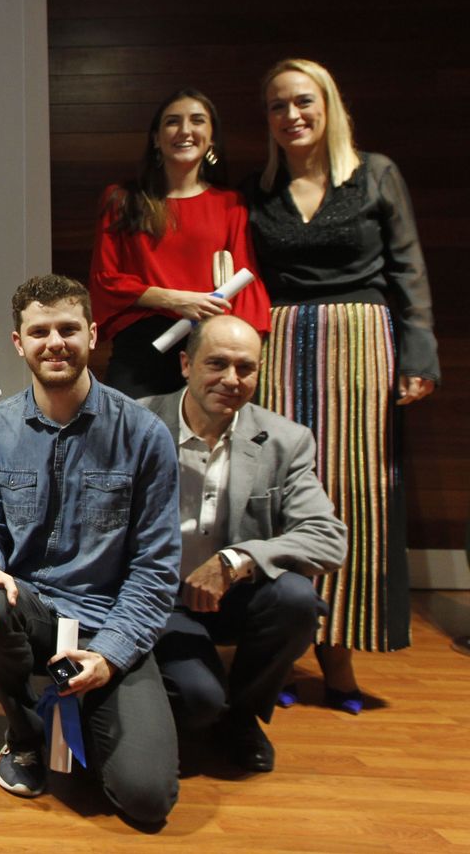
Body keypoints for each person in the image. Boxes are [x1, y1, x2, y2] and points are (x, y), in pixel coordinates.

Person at [245, 58, 439, 710]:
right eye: (278, 105)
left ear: (328, 105)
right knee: (278, 494)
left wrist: (419, 357)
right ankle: (282, 648)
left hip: (359, 346)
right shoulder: (259, 190)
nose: (291, 115)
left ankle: (341, 654)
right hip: (280, 346)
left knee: (357, 494)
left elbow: (409, 271)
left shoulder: (375, 173)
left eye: (303, 101)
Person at [0, 275, 180, 825]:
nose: (54, 342)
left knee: (146, 800)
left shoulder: (144, 434)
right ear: (18, 343)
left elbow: (155, 570)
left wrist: (109, 656)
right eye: (39, 332)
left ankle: (87, 700)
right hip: (31, 609)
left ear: (92, 334)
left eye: (68, 329)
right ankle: (24, 730)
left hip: (108, 623)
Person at [139, 315, 346, 772]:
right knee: (198, 700)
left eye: (245, 368)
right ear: (186, 364)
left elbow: (328, 538)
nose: (232, 379)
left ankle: (244, 718)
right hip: (157, 598)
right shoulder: (134, 423)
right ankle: (186, 705)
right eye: (217, 364)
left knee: (296, 598)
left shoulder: (285, 440)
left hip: (234, 596)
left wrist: (237, 559)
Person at [90, 89, 270, 398]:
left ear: (211, 138)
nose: (185, 130)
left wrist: (240, 347)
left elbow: (247, 283)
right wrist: (175, 300)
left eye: (197, 121)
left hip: (209, 347)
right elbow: (105, 280)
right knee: (128, 428)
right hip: (142, 349)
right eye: (173, 122)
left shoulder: (231, 203)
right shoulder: (121, 200)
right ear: (156, 139)